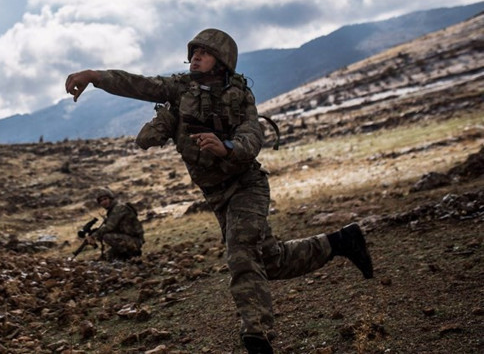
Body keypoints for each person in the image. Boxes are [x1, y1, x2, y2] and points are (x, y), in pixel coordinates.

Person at [65, 28, 374, 354]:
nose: (196, 57)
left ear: (222, 61)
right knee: (271, 261)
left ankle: (258, 334)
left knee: (241, 253)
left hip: (246, 186)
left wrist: (226, 148)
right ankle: (341, 242)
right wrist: (94, 76)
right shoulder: (179, 88)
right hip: (215, 195)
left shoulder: (240, 97)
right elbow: (138, 84)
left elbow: (251, 137)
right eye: (194, 52)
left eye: (204, 53)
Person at [86, 187, 144, 261]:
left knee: (107, 236)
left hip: (134, 240)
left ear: (111, 198)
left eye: (105, 199)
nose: (103, 202)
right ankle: (125, 255)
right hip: (127, 238)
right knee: (109, 257)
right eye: (101, 201)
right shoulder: (112, 210)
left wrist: (94, 236)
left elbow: (109, 227)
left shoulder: (119, 208)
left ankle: (133, 253)